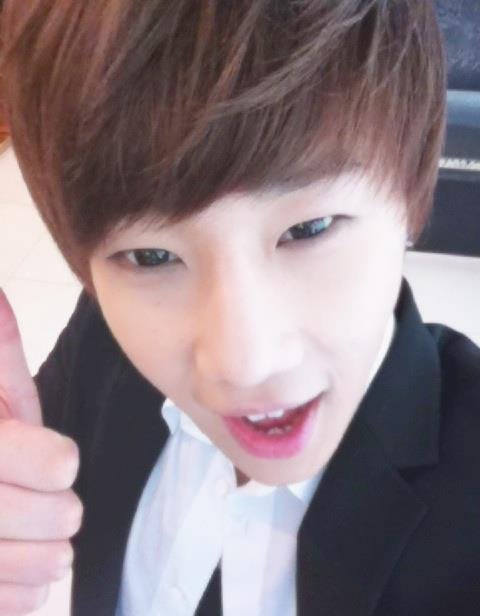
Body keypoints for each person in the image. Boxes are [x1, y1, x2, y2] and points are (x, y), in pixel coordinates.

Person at [0, 1, 479, 614]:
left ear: (410, 190)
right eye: (151, 257)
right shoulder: (103, 338)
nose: (242, 364)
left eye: (308, 229)